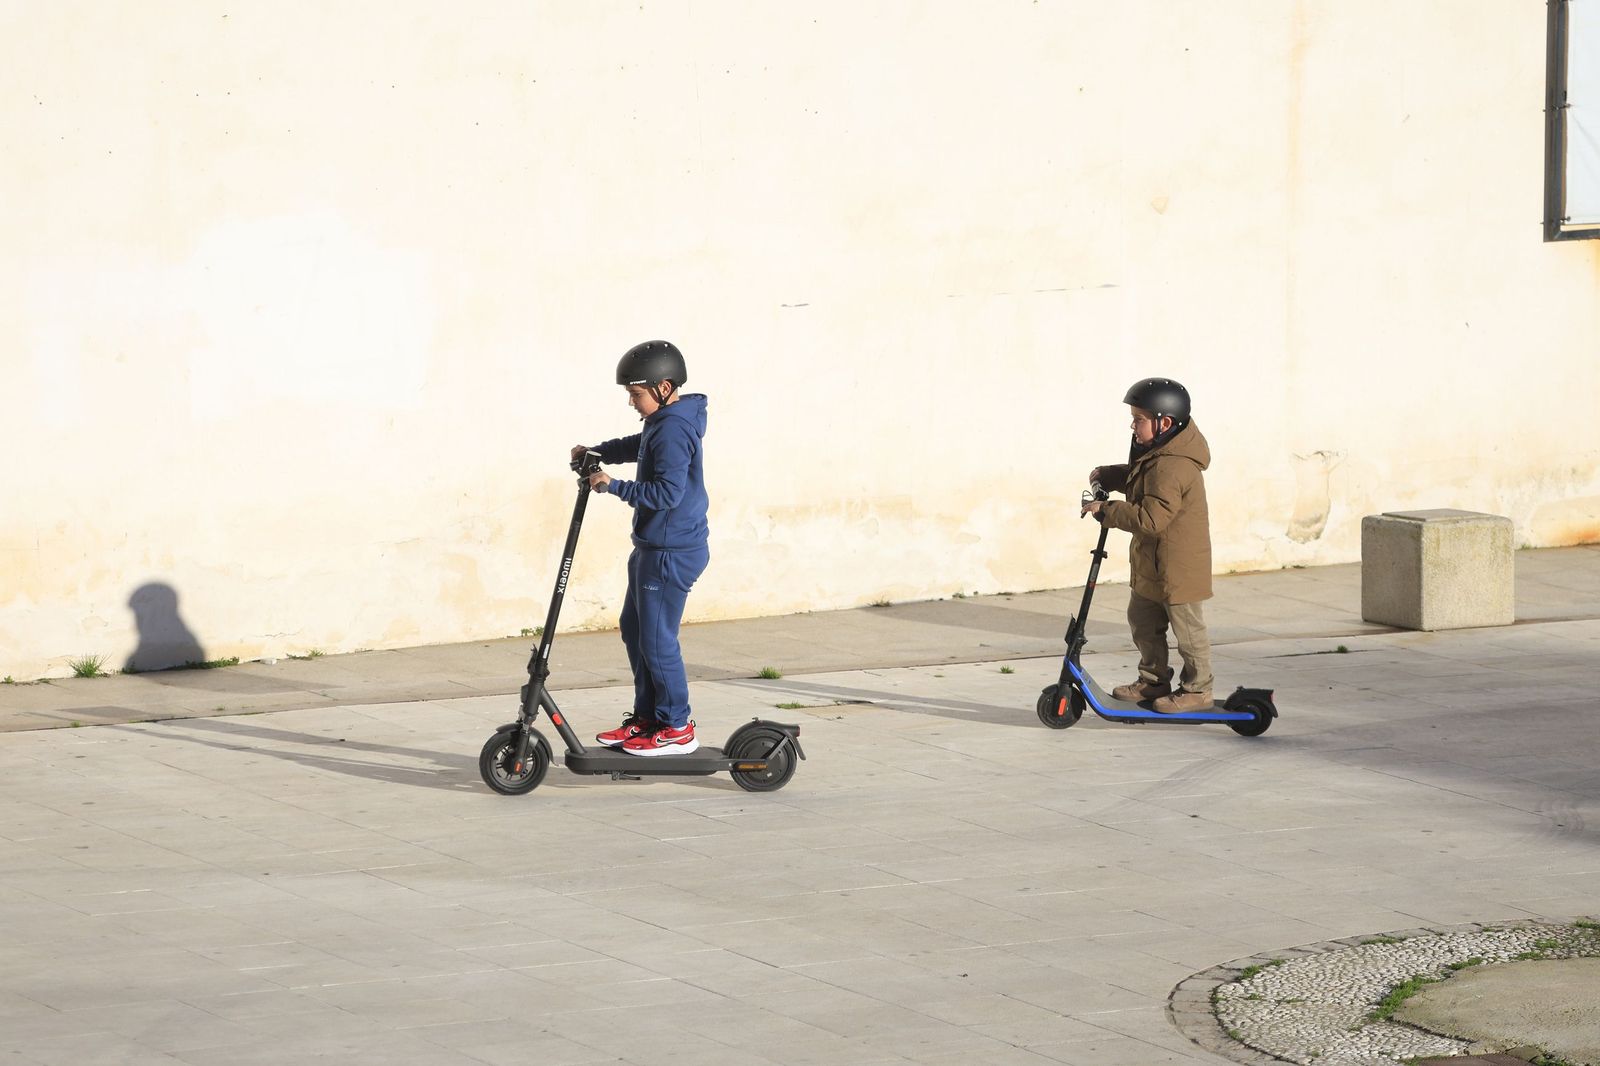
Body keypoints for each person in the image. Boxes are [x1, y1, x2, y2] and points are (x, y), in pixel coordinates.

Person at [571, 340, 710, 755]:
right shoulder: (663, 421)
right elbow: (639, 445)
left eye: (636, 394)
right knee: (635, 630)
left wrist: (612, 485)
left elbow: (666, 494)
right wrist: (599, 452)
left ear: (664, 387)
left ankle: (676, 727)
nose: (632, 402)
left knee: (656, 638)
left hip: (671, 551)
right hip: (654, 545)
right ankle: (648, 718)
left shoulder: (672, 427)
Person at [1081, 377, 1215, 713]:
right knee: (1142, 620)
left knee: (1188, 632)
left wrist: (1107, 509)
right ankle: (1153, 679)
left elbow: (1152, 518)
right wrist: (1109, 476)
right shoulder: (1158, 454)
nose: (1133, 425)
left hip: (1178, 566)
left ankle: (1198, 689)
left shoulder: (1175, 465)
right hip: (1151, 562)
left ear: (1164, 422)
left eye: (1139, 419)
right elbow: (1141, 480)